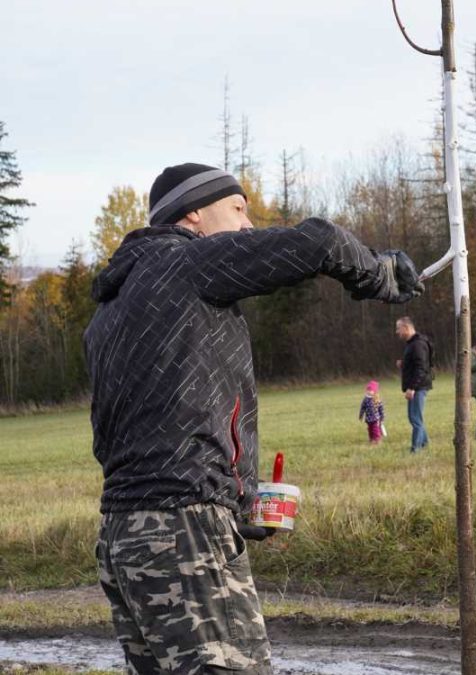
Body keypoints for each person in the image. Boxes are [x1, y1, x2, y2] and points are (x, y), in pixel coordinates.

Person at [84, 163, 424, 674]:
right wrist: (378, 274)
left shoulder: (108, 313)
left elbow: (148, 431)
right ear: (193, 214)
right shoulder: (185, 261)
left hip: (121, 535)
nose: (247, 225)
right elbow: (319, 243)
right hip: (184, 527)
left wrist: (238, 498)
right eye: (238, 208)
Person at [395, 316, 434, 453]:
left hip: (419, 386)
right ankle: (424, 442)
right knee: (414, 417)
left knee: (415, 418)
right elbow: (416, 363)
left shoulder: (417, 344)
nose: (397, 332)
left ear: (406, 328)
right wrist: (404, 364)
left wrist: (412, 388)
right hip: (417, 385)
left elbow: (421, 368)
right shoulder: (412, 343)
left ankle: (416, 448)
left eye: (398, 328)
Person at [359, 379, 386, 444]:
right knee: (370, 429)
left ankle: (377, 440)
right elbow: (362, 408)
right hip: (368, 419)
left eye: (370, 390)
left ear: (374, 391)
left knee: (375, 429)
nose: (368, 391)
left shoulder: (377, 400)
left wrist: (382, 418)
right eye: (368, 390)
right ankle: (371, 439)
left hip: (376, 419)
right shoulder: (365, 399)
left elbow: (381, 409)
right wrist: (361, 415)